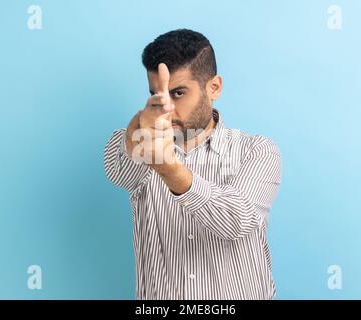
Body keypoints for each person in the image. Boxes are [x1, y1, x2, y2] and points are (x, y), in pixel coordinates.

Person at [104, 29, 282, 299]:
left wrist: (170, 170)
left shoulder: (256, 151)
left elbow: (236, 220)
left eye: (177, 93)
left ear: (214, 88)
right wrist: (137, 130)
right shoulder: (143, 142)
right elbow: (120, 170)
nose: (166, 108)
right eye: (156, 94)